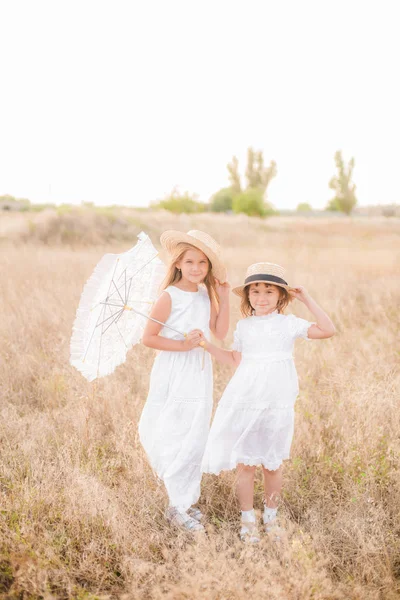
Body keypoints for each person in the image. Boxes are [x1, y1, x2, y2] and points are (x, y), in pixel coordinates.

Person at [200, 262, 335, 542]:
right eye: (255, 292)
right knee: (245, 464)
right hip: (246, 397)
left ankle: (271, 518)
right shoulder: (245, 326)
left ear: (281, 297)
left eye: (269, 292)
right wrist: (206, 345)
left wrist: (306, 299)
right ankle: (247, 519)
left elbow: (327, 329)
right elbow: (235, 359)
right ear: (248, 296)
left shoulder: (288, 324)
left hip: (276, 400)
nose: (261, 298)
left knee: (272, 464)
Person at [138, 230, 230, 532]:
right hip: (175, 368)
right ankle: (176, 505)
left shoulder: (206, 293)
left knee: (196, 432)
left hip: (199, 370)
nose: (196, 268)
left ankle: (184, 501)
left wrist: (225, 296)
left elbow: (220, 331)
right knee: (178, 430)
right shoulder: (169, 296)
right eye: (190, 261)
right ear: (177, 263)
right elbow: (148, 338)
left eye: (203, 263)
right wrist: (183, 345)